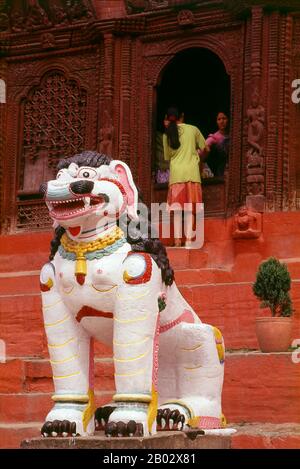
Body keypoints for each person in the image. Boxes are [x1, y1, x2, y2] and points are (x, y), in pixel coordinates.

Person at [163, 107, 207, 248]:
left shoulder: (166, 135)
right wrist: (198, 159)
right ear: (182, 116)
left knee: (176, 211)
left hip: (176, 176)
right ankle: (188, 241)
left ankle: (177, 242)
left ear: (167, 118)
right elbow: (205, 148)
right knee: (190, 210)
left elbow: (167, 157)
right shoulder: (193, 129)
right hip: (192, 175)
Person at [200, 111, 230, 178]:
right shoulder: (214, 137)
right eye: (219, 119)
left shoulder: (234, 135)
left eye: (224, 118)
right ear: (216, 122)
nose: (222, 121)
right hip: (222, 170)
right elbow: (203, 147)